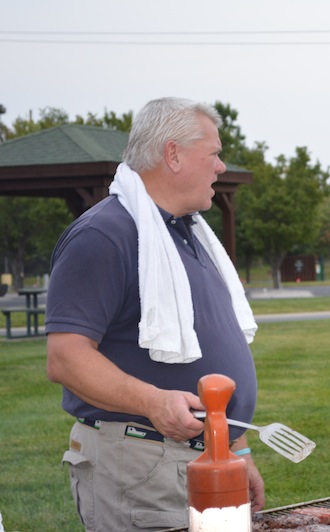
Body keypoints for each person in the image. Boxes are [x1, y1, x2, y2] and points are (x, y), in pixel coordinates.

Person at [45, 97, 264, 531]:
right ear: (173, 154)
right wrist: (153, 402)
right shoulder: (104, 235)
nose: (221, 167)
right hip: (141, 466)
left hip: (204, 458)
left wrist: (237, 451)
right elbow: (66, 357)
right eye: (215, 154)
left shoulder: (186, 233)